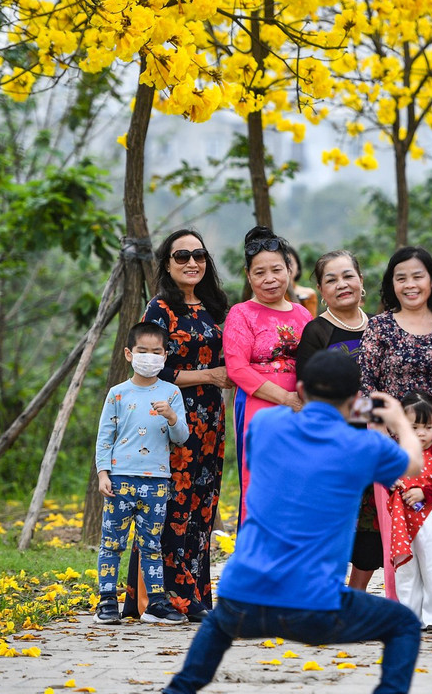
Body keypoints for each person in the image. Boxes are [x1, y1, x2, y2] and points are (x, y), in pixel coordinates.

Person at [153, 351, 429, 694]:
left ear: (300, 390)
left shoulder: (264, 425)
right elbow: (415, 464)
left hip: (243, 593)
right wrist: (397, 419)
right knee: (402, 624)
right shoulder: (365, 445)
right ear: (356, 401)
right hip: (315, 607)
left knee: (217, 625)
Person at [125, 229, 232, 623]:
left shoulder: (216, 307)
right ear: (167, 265)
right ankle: (157, 596)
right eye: (181, 256)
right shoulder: (160, 309)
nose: (192, 262)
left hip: (211, 422)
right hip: (168, 418)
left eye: (199, 255)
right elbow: (154, 367)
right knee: (169, 505)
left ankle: (195, 593)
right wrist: (209, 375)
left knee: (202, 506)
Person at [356, 246, 432, 591]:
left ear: (431, 280)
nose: (410, 285)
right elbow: (364, 384)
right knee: (396, 525)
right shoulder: (379, 326)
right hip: (390, 444)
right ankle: (402, 603)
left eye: (417, 276)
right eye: (401, 278)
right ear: (391, 284)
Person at [94, 322, 190, 626]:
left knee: (151, 543)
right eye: (142, 351)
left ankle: (156, 603)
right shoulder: (118, 394)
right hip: (120, 479)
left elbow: (181, 437)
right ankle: (107, 601)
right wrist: (102, 473)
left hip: (157, 481)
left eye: (156, 352)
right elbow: (104, 437)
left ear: (165, 356)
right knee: (112, 541)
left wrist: (172, 417)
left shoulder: (171, 393)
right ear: (128, 353)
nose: (149, 357)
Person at [223, 227, 313, 524]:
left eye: (277, 269)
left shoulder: (303, 314)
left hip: (302, 410)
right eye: (260, 272)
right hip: (259, 407)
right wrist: (286, 398)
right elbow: (237, 368)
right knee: (262, 484)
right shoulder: (241, 313)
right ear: (249, 277)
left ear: (290, 269)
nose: (270, 278)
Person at [385, 391, 432, 633]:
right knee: (406, 569)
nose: (421, 433)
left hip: (430, 516)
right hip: (401, 520)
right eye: (414, 427)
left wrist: (425, 491)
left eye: (428, 427)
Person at [296, 250, 369, 371]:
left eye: (348, 276)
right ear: (321, 290)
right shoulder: (315, 332)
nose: (341, 285)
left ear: (361, 280)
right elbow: (308, 385)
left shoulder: (378, 323)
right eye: (331, 280)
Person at [283, 242, 319, 317]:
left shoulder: (309, 294)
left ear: (298, 268)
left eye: (290, 263)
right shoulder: (270, 295)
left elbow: (310, 322)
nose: (287, 269)